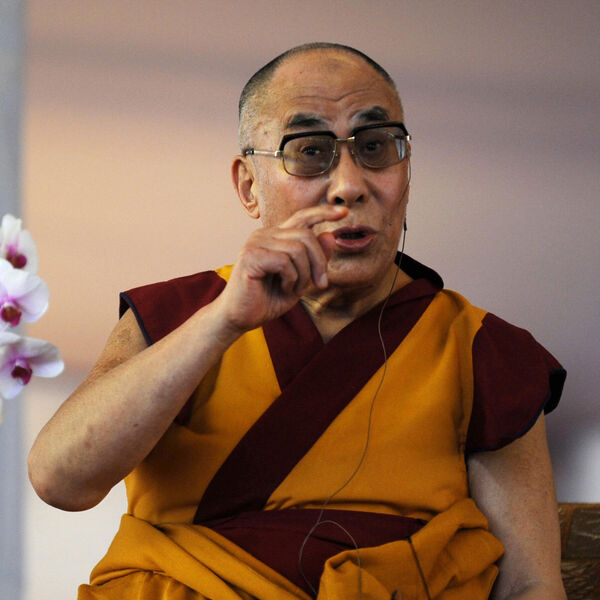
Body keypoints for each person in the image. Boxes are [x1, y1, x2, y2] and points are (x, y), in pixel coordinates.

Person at [28, 43, 567, 600]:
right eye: (310, 151)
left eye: (376, 147)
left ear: (407, 170)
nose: (350, 185)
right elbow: (60, 481)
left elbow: (530, 585)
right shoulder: (180, 318)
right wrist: (222, 321)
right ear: (249, 187)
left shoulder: (480, 351)